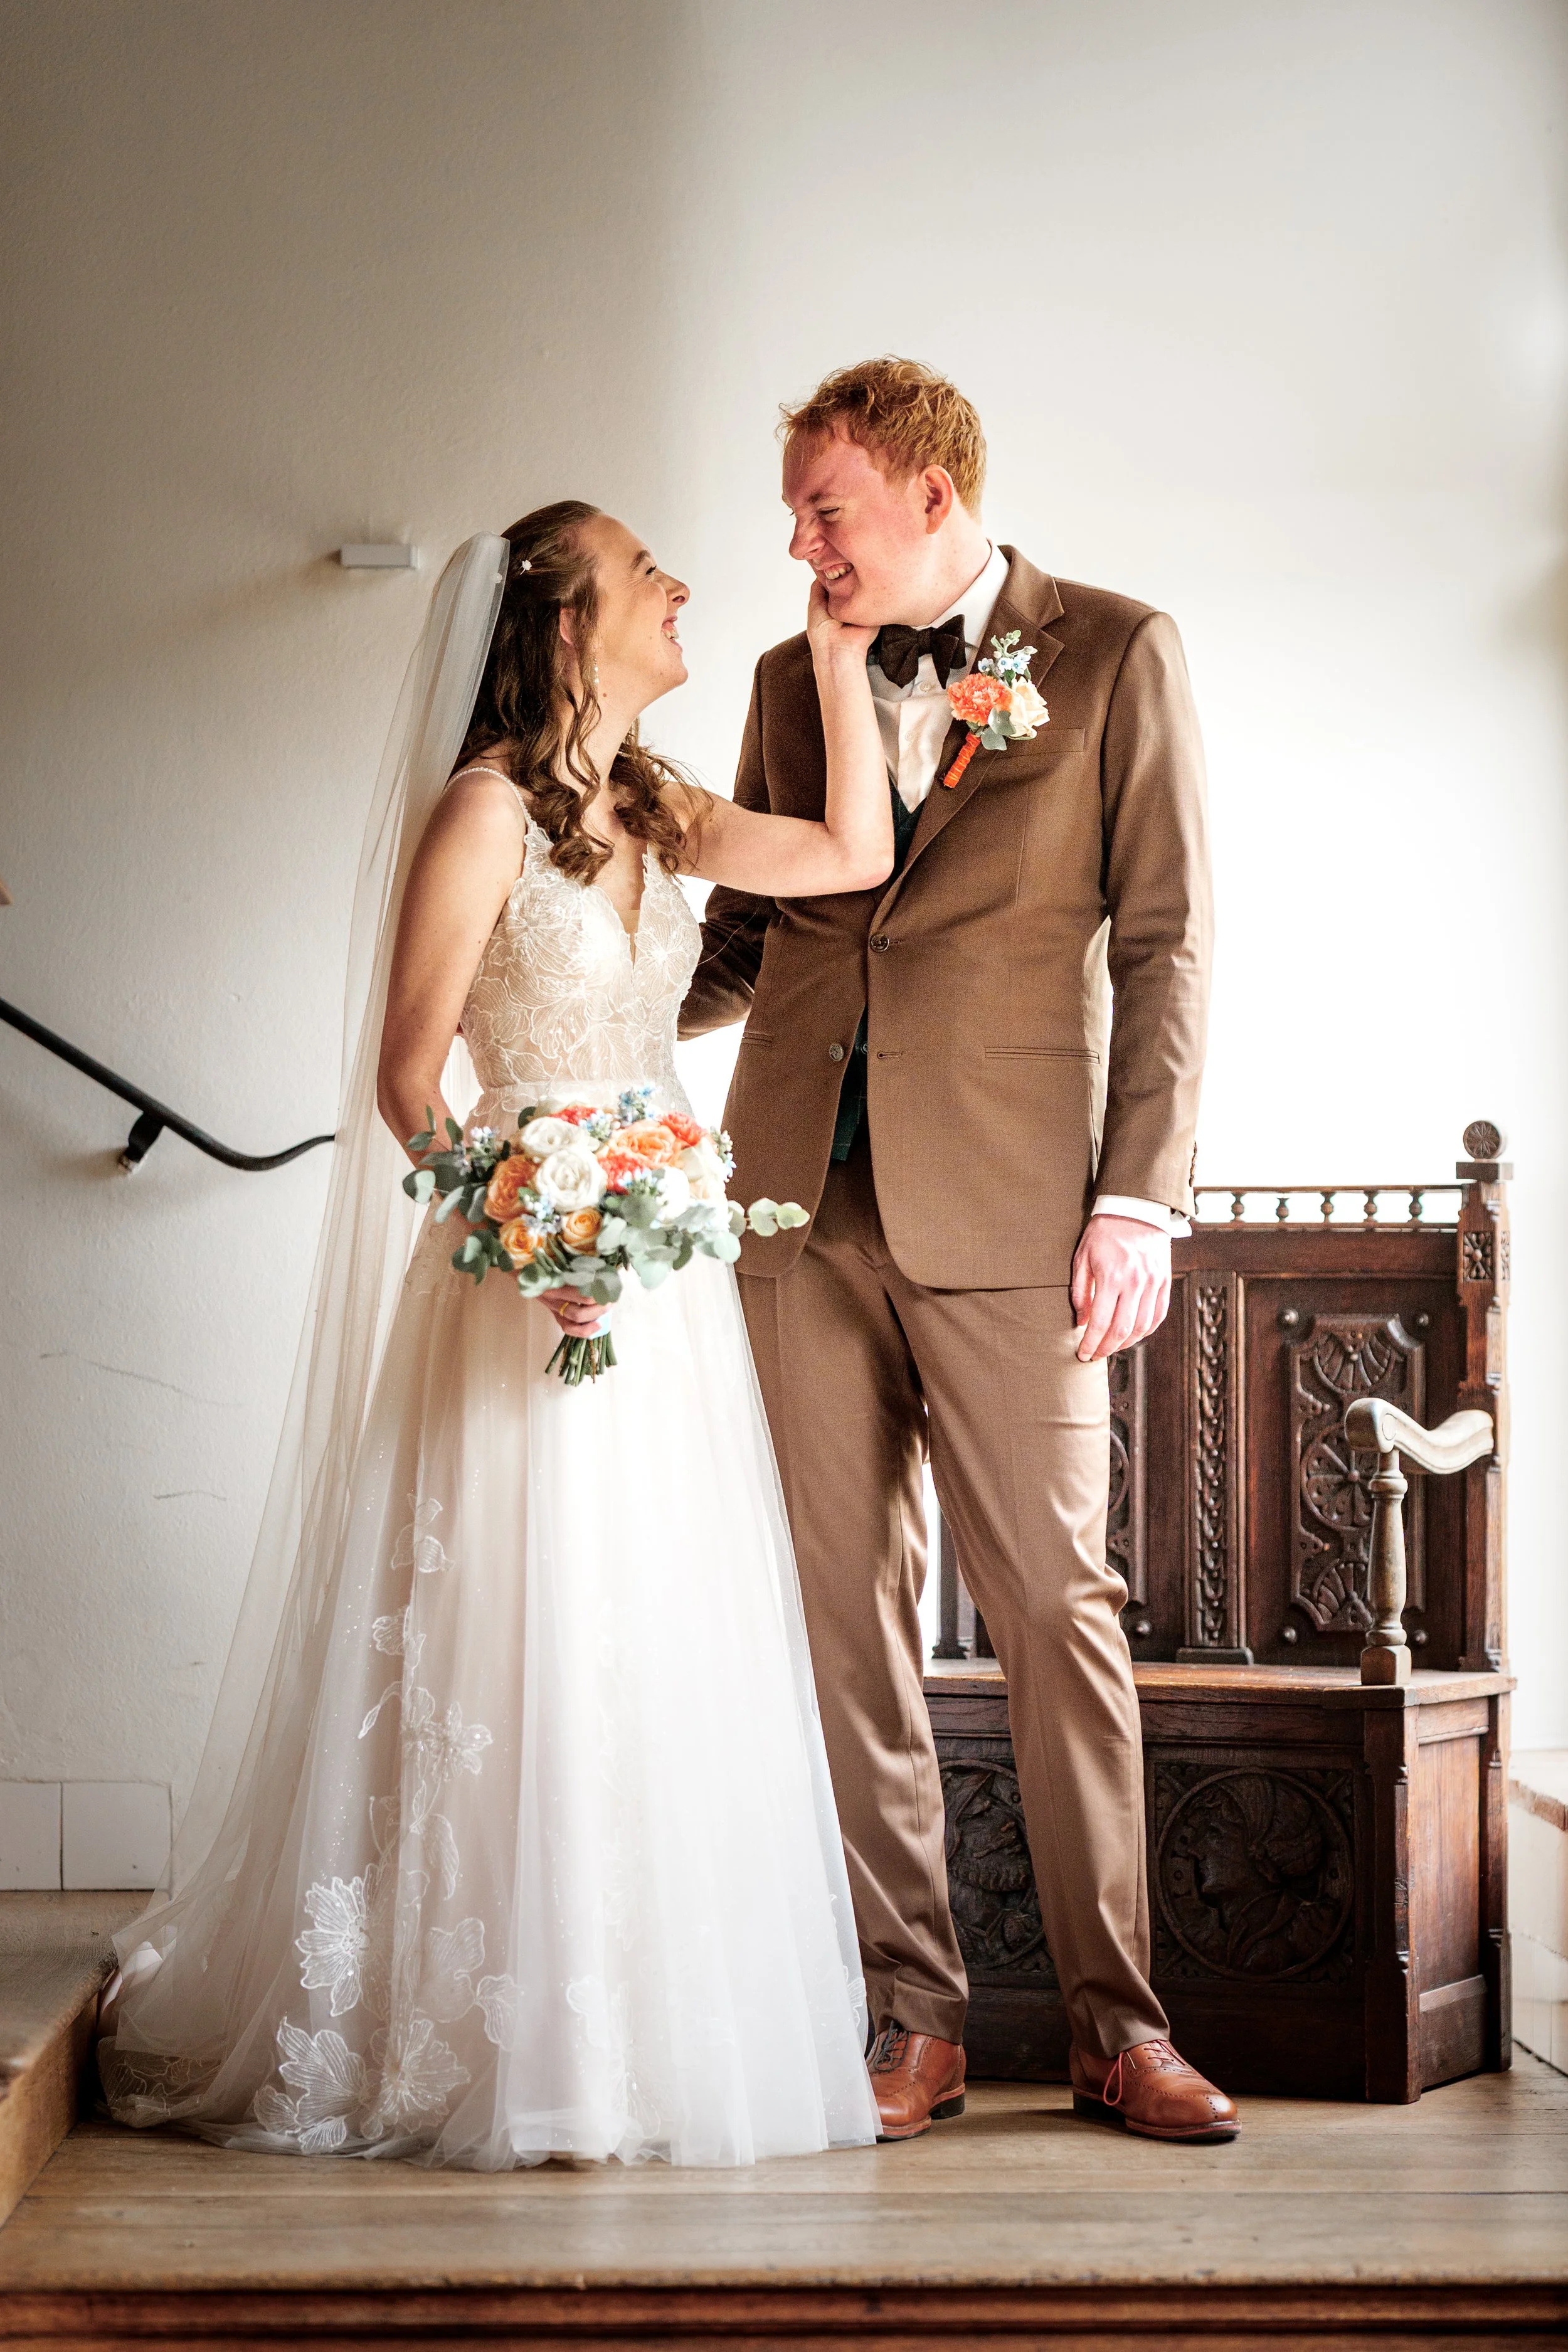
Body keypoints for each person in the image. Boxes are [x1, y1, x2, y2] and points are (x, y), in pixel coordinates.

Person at [97, 501, 892, 2168]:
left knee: (652, 1618)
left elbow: (847, 854)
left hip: (658, 1279)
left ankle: (639, 2026)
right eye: (643, 571)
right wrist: (527, 1231)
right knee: (510, 1622)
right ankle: (485, 2028)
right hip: (524, 1266)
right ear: (564, 622)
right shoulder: (478, 819)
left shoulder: (659, 809)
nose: (679, 586)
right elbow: (407, 1072)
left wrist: (833, 660)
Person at [680, 359, 1239, 2144]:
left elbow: (1165, 943)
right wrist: (562, 1007)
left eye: (822, 507)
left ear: (930, 490)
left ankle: (1114, 2026)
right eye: (790, 514)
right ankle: (907, 2013)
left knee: (1052, 1613)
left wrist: (1137, 1196)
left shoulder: (1115, 651)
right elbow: (749, 931)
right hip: (794, 1207)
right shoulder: (786, 679)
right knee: (842, 1620)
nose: (796, 544)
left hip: (1013, 1215)